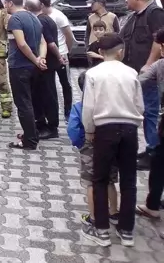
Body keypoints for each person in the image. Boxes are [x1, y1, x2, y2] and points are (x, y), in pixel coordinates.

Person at [81, 33, 143, 247]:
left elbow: (89, 106)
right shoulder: (131, 72)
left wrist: (89, 129)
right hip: (129, 129)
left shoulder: (93, 74)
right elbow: (139, 105)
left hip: (104, 129)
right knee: (128, 180)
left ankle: (102, 230)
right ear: (121, 51)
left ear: (100, 52)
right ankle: (126, 231)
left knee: (100, 179)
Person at [67, 70, 120, 230]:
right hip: (111, 145)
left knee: (91, 183)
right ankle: (113, 212)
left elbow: (73, 130)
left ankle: (94, 218)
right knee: (109, 181)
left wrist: (80, 144)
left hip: (89, 148)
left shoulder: (79, 107)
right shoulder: (110, 106)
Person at [120, 0, 164, 170]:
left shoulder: (154, 13)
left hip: (149, 74)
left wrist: (149, 63)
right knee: (145, 112)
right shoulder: (135, 16)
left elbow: (158, 39)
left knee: (150, 112)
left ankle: (154, 151)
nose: (126, 0)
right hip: (136, 73)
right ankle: (149, 148)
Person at [3, 0, 47, 150]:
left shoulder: (15, 19)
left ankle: (30, 141)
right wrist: (40, 58)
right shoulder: (34, 18)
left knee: (23, 104)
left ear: (10, 3)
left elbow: (21, 44)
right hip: (33, 68)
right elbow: (43, 42)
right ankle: (31, 133)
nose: (4, 6)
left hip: (20, 67)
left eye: (4, 3)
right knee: (31, 102)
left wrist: (36, 59)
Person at [136, 26, 164, 221]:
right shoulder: (160, 65)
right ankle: (152, 205)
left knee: (160, 165)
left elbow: (135, 83)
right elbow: (138, 82)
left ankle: (153, 205)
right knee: (159, 163)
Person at [26, 0, 63, 139]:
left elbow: (50, 43)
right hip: (46, 64)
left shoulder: (40, 21)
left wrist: (59, 57)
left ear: (28, 9)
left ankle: (52, 127)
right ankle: (42, 123)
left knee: (47, 96)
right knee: (45, 94)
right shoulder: (47, 18)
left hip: (45, 64)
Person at [35, 0, 75, 121]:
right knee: (49, 86)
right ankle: (51, 113)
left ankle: (68, 110)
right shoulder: (40, 17)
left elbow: (69, 36)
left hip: (60, 53)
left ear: (41, 4)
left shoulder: (58, 16)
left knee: (65, 84)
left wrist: (65, 51)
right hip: (48, 56)